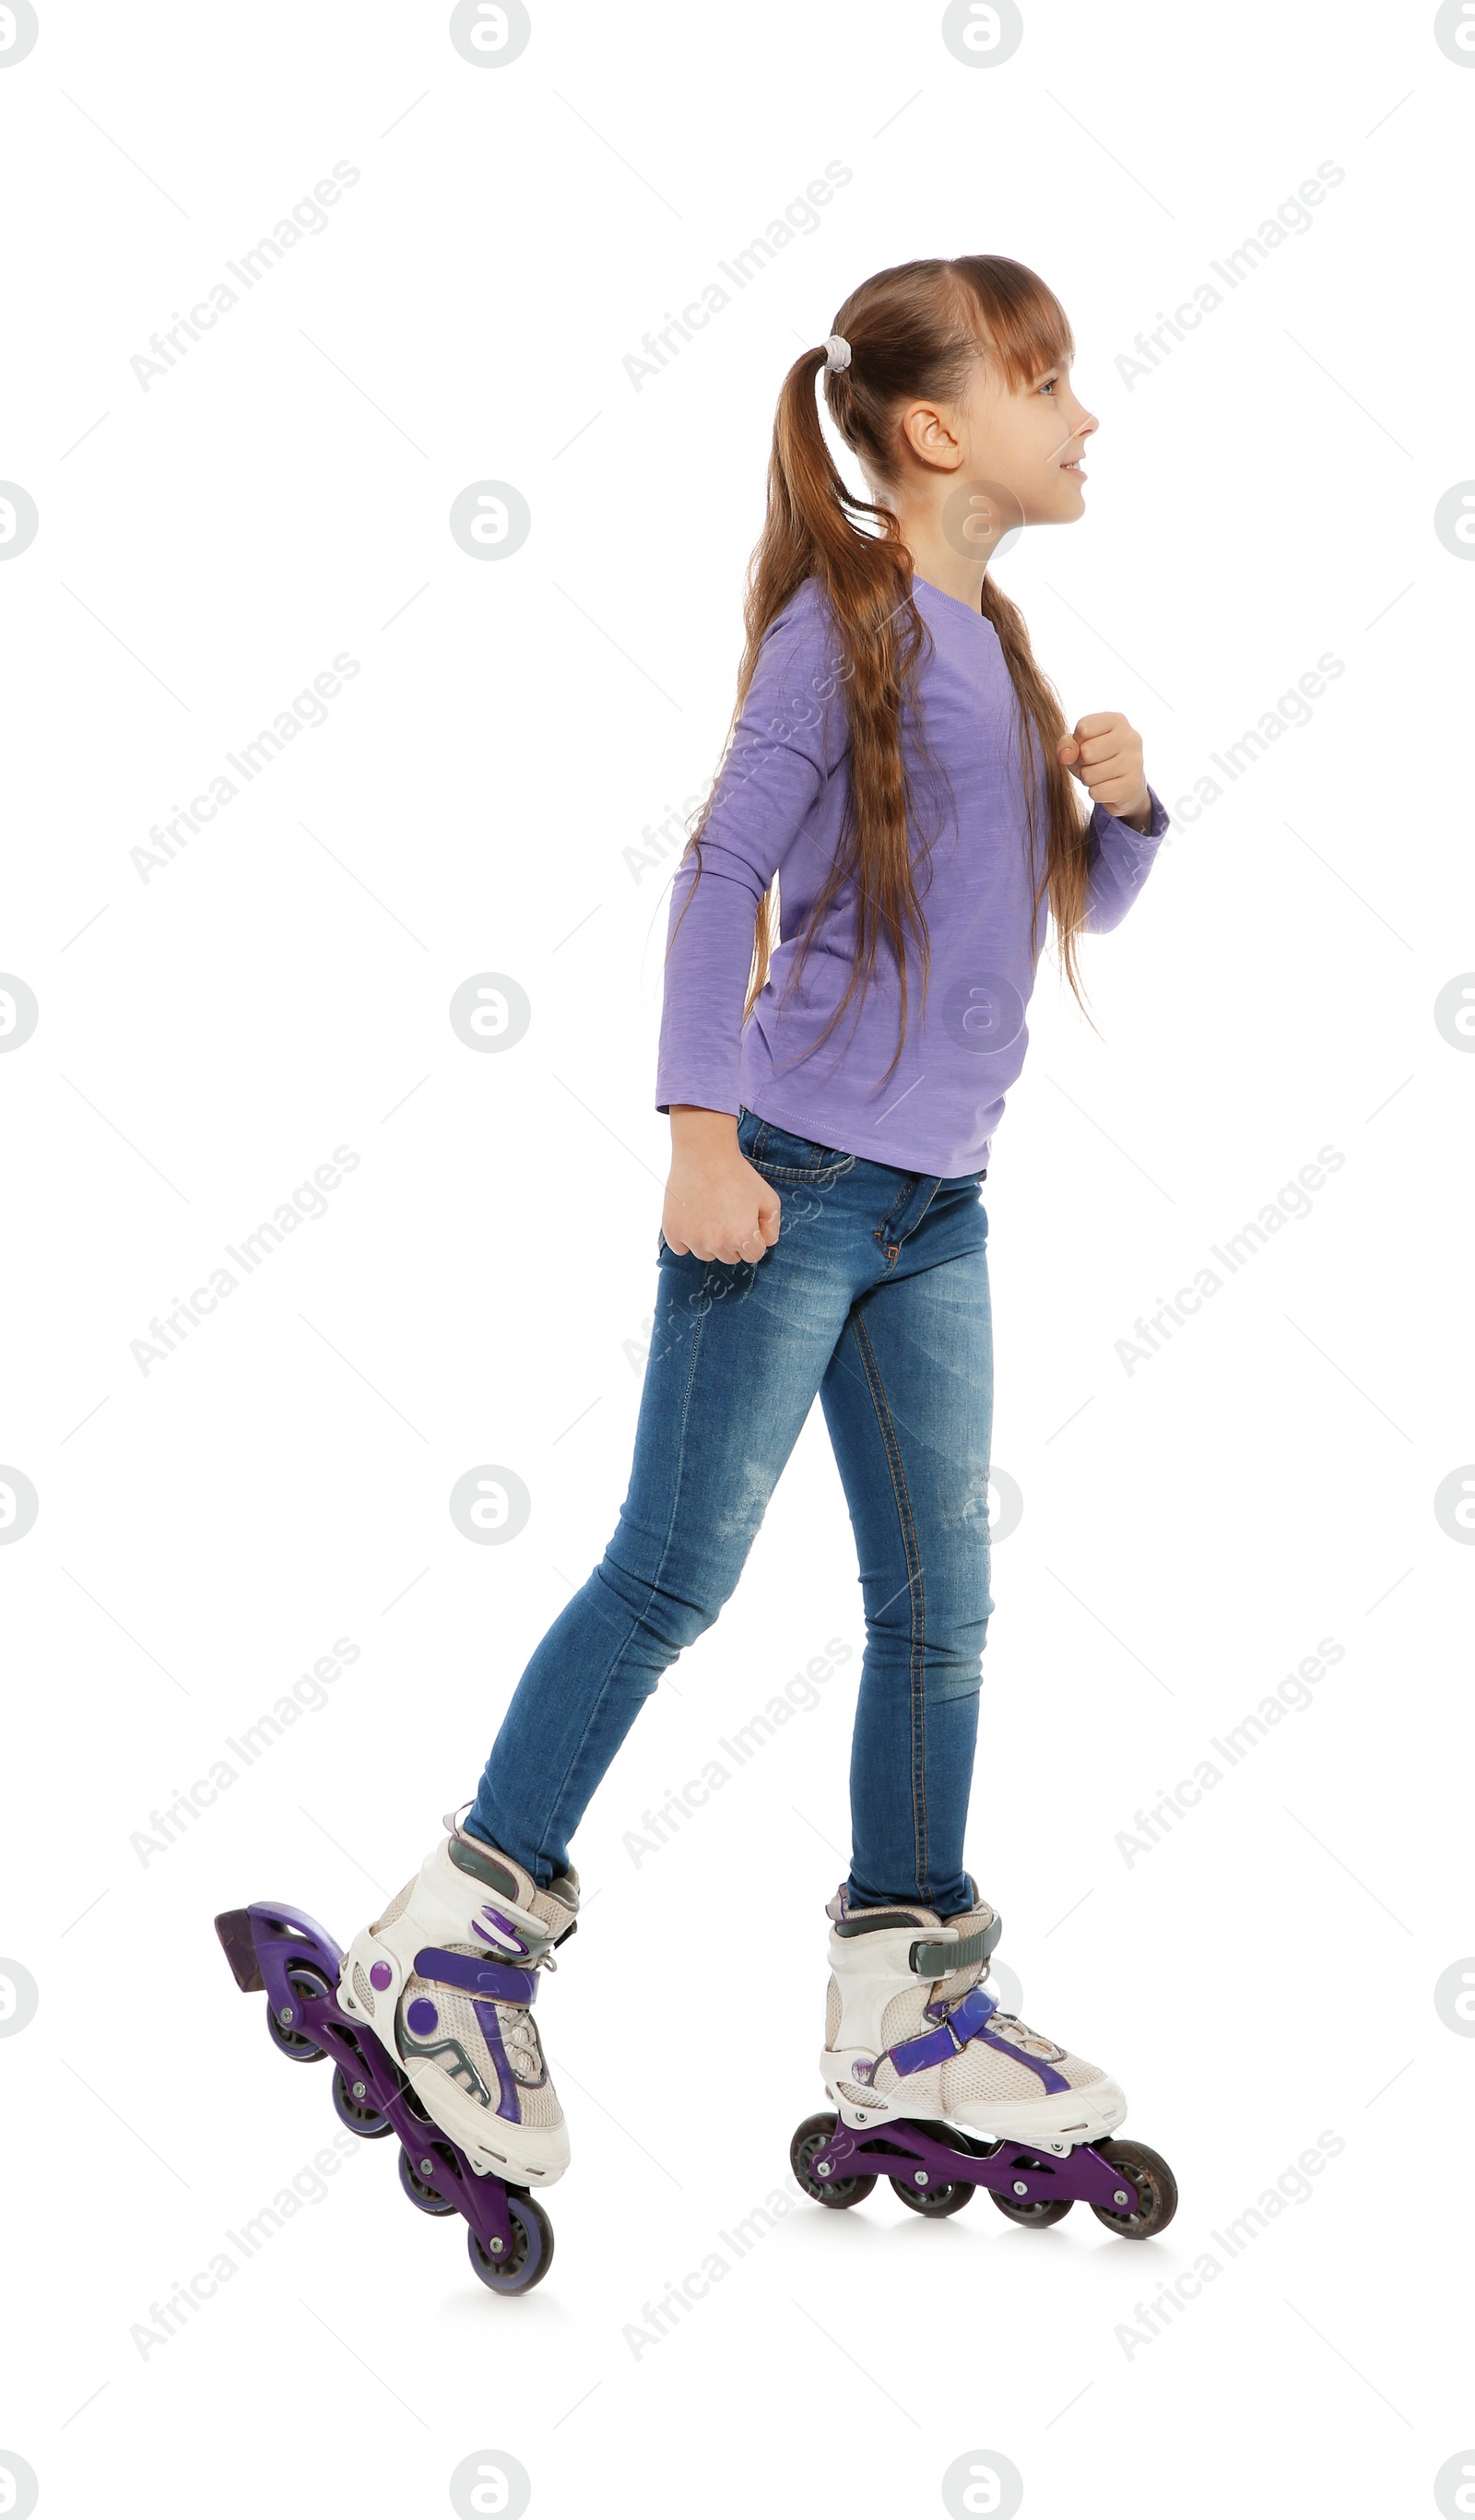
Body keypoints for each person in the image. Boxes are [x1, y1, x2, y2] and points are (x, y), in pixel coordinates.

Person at [340, 254, 1170, 2199]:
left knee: (937, 1610)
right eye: (1044, 380)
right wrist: (697, 1131)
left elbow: (1067, 908)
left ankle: (906, 1993)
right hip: (787, 1184)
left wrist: (1120, 815)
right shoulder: (847, 619)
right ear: (932, 428)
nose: (1083, 411)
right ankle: (446, 1936)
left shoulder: (998, 640)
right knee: (670, 1572)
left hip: (935, 1212)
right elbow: (720, 870)